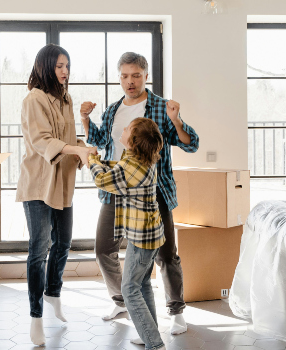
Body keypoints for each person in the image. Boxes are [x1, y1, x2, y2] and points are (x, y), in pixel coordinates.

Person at [81, 52, 200, 335]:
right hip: (118, 191)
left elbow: (191, 144)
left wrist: (177, 121)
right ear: (119, 78)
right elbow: (98, 139)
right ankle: (122, 300)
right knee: (103, 249)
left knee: (166, 254)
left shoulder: (161, 108)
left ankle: (176, 310)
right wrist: (85, 118)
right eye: (124, 76)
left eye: (136, 75)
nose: (130, 81)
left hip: (153, 193)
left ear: (146, 76)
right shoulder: (112, 110)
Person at [17, 43, 96, 346]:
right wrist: (75, 149)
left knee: (63, 243)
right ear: (45, 67)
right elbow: (41, 140)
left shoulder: (66, 99)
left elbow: (64, 139)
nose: (65, 71)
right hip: (38, 184)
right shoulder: (33, 99)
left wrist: (82, 146)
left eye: (68, 66)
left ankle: (53, 294)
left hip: (62, 183)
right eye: (60, 66)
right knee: (39, 249)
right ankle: (35, 316)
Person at [88, 118, 167, 350]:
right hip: (147, 235)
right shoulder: (137, 159)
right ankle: (147, 334)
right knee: (141, 284)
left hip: (143, 238)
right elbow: (116, 167)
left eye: (127, 129)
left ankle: (155, 344)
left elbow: (103, 180)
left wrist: (90, 159)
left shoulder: (133, 167)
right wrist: (99, 159)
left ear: (133, 141)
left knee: (129, 289)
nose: (122, 130)